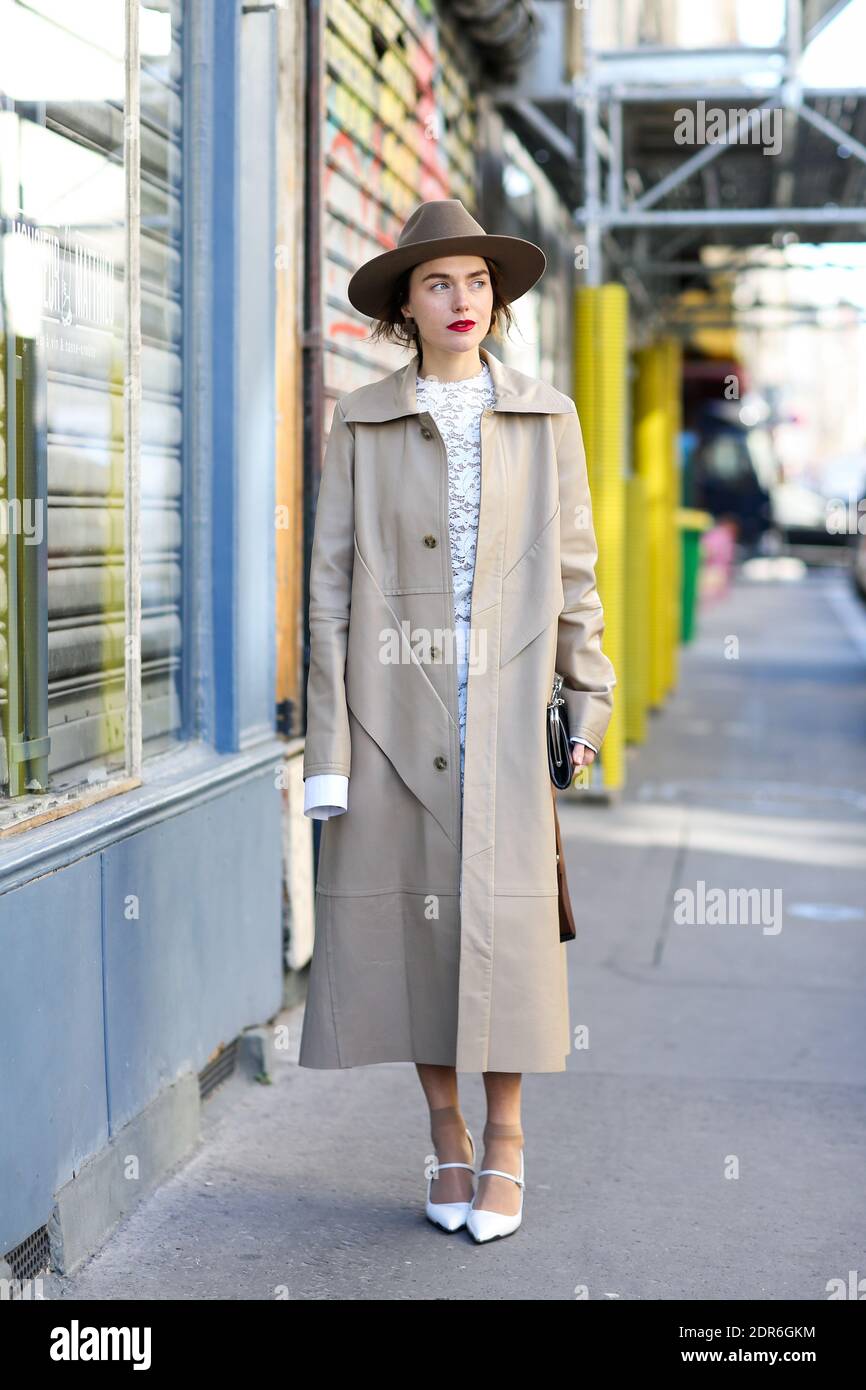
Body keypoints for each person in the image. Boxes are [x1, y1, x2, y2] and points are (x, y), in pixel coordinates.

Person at [299, 199, 616, 1243]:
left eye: (477, 281)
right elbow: (328, 589)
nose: (462, 299)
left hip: (509, 709)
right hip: (393, 720)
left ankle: (508, 1139)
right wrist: (328, 748)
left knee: (511, 935)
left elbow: (574, 575)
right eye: (439, 283)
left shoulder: (546, 415)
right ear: (405, 304)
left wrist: (587, 698)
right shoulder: (361, 418)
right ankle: (444, 1133)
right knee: (412, 938)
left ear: (497, 298)